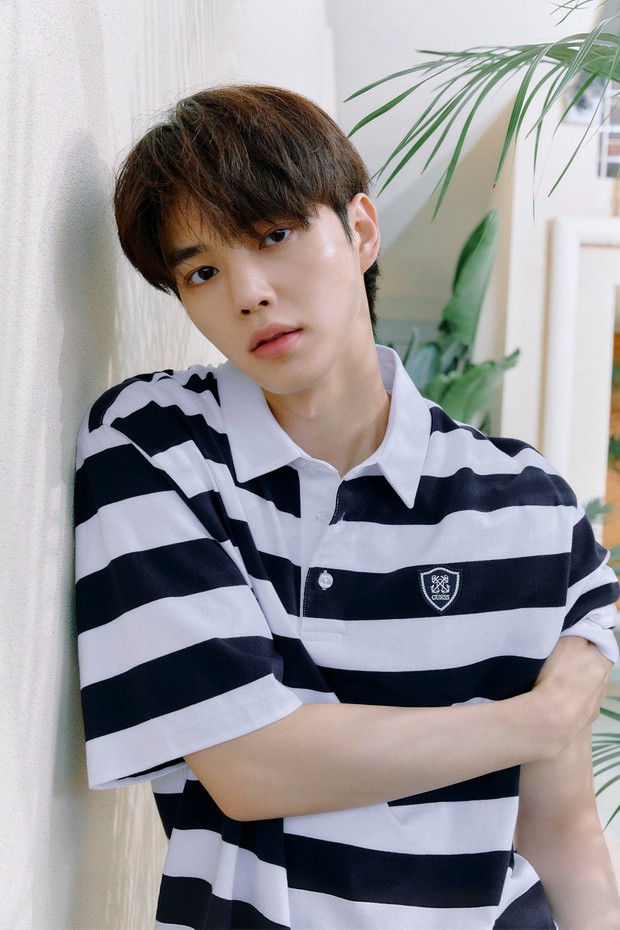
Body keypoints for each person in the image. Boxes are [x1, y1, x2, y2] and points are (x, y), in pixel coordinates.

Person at [74, 84, 620, 930]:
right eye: (202, 271)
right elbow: (250, 767)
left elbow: (561, 829)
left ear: (361, 230)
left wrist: (541, 739)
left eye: (274, 235)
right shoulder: (154, 448)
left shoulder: (528, 506)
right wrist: (538, 721)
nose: (249, 292)